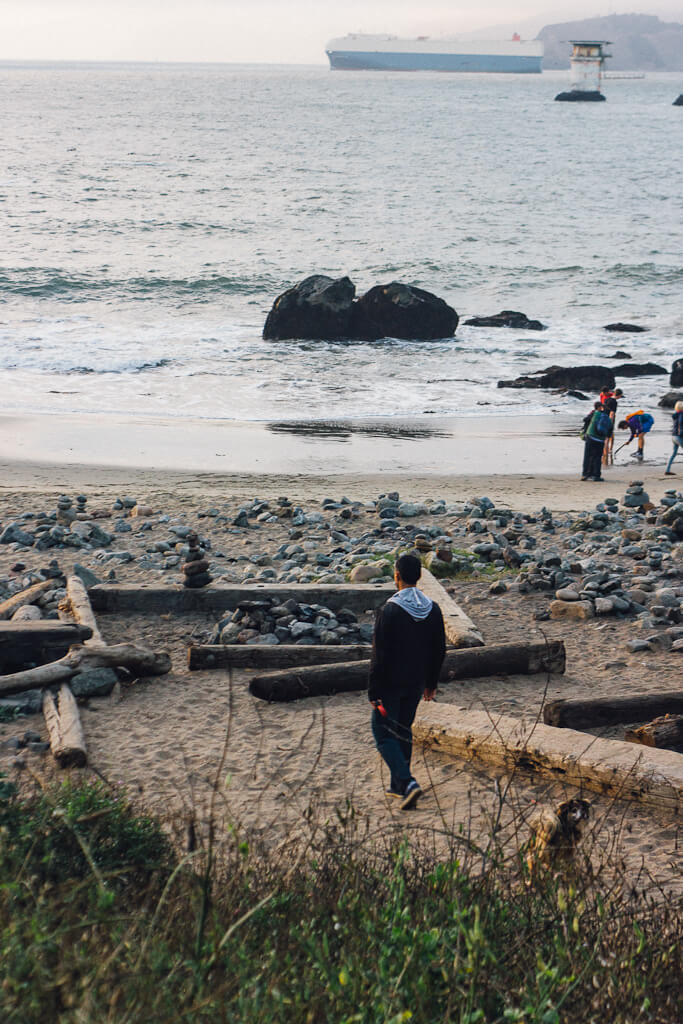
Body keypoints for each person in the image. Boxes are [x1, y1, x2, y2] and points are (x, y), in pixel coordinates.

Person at [368, 552, 445, 810]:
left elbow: (379, 655)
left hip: (390, 683)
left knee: (381, 731)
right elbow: (439, 650)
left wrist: (373, 690)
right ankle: (399, 788)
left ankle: (408, 782)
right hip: (415, 682)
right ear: (420, 576)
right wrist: (431, 682)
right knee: (403, 730)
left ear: (396, 576)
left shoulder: (389, 610)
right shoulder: (432, 609)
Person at [581, 401, 611, 481]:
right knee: (597, 457)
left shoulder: (595, 414)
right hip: (600, 440)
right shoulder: (609, 420)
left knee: (588, 456)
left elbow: (585, 419)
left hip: (590, 436)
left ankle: (585, 475)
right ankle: (596, 476)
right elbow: (609, 433)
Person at [602, 387, 623, 466]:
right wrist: (611, 424)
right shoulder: (614, 402)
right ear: (619, 395)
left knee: (604, 438)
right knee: (607, 438)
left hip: (602, 419)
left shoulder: (606, 399)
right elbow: (612, 413)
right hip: (608, 421)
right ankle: (606, 454)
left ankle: (604, 452)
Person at [664, 400, 683, 475]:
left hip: (673, 436)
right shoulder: (681, 414)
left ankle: (667, 470)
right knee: (674, 453)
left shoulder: (675, 415)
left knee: (674, 454)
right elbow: (681, 424)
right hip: (679, 436)